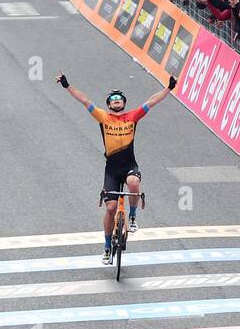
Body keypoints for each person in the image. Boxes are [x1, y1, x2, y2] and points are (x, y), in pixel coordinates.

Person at [55, 72, 176, 264]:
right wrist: (67, 85)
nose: (117, 101)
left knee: (134, 182)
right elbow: (85, 101)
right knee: (110, 208)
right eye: (113, 100)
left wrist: (168, 88)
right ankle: (106, 246)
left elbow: (151, 102)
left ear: (124, 103)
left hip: (129, 165)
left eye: (120, 99)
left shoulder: (133, 116)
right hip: (111, 169)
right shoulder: (103, 117)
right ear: (109, 104)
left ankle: (133, 216)